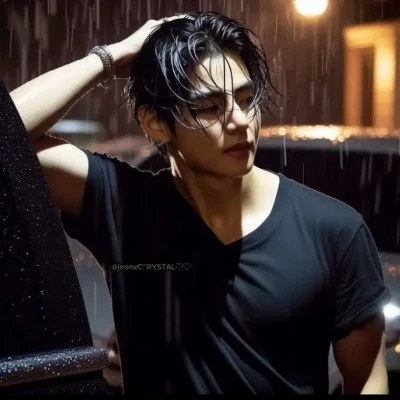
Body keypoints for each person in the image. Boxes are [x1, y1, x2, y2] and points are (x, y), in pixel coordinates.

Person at [10, 11, 391, 395]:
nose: (240, 121)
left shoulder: (333, 230)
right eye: (209, 107)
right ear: (155, 123)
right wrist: (110, 58)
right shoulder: (127, 206)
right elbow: (6, 133)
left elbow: (367, 380)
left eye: (246, 99)